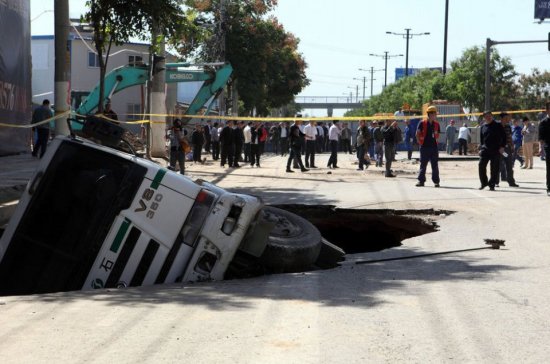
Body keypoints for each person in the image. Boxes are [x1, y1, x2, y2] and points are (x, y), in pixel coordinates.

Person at [478, 110, 506, 191]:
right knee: (481, 166)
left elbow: (504, 137)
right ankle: (484, 183)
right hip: (485, 150)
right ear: (484, 118)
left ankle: (492, 184)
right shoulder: (483, 127)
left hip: (496, 150)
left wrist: (502, 147)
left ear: (492, 116)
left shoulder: (498, 125)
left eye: (490, 116)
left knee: (494, 169)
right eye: (486, 116)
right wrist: (481, 148)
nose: (488, 118)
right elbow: (482, 140)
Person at [415, 105, 441, 187]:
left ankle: (436, 182)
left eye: (435, 114)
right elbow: (417, 134)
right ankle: (421, 181)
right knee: (423, 165)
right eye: (433, 114)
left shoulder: (437, 124)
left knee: (435, 165)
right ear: (429, 114)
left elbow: (438, 134)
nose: (435, 116)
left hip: (434, 148)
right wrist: (420, 143)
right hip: (424, 147)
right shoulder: (422, 123)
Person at [499, 112, 519, 187]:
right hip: (500, 150)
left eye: (508, 118)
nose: (508, 119)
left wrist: (512, 146)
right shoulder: (497, 126)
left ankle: (511, 181)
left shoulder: (508, 126)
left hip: (507, 150)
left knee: (509, 165)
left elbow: (510, 137)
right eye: (506, 118)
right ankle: (496, 182)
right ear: (502, 118)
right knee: (498, 165)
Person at [539, 102, 550, 196]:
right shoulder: (543, 122)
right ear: (547, 110)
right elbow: (541, 139)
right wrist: (541, 149)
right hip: (549, 147)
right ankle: (549, 187)